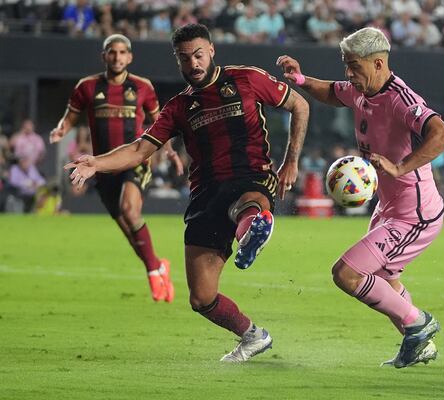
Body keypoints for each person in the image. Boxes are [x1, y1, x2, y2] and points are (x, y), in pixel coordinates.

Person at [65, 24, 309, 363]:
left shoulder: (247, 79)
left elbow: (300, 105)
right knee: (201, 298)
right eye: (185, 58)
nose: (193, 63)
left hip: (250, 176)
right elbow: (139, 150)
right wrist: (96, 162)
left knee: (247, 203)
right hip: (205, 194)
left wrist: (291, 162)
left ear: (211, 50)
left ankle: (254, 226)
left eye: (198, 54)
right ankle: (253, 336)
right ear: (177, 60)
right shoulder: (179, 107)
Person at [277, 27, 444, 368]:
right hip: (388, 208)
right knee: (385, 280)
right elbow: (331, 91)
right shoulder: (362, 90)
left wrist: (401, 167)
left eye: (353, 66)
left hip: (414, 215)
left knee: (347, 274)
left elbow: (442, 135)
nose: (348, 73)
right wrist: (300, 79)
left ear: (377, 64)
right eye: (346, 65)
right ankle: (418, 344)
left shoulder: (402, 98)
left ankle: (419, 323)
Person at [50, 34, 184, 303]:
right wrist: (61, 128)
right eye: (112, 52)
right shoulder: (87, 87)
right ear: (104, 56)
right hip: (102, 168)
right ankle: (159, 265)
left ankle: (152, 272)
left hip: (135, 162)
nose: (118, 57)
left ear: (130, 57)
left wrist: (169, 152)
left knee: (129, 210)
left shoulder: (142, 87)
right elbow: (71, 116)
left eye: (123, 52)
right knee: (129, 229)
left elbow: (160, 124)